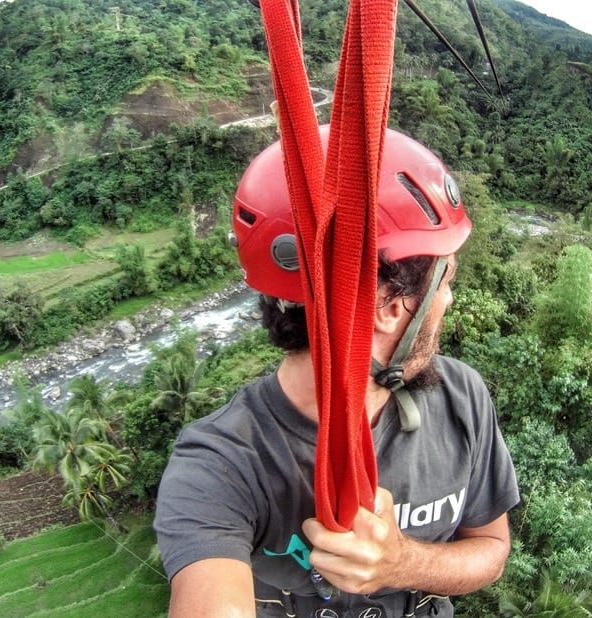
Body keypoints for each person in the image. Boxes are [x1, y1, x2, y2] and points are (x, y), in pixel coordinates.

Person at [154, 126, 520, 617]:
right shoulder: (221, 465)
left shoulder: (461, 396)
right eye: (445, 280)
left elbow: (492, 549)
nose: (450, 299)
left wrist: (401, 563)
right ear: (388, 305)